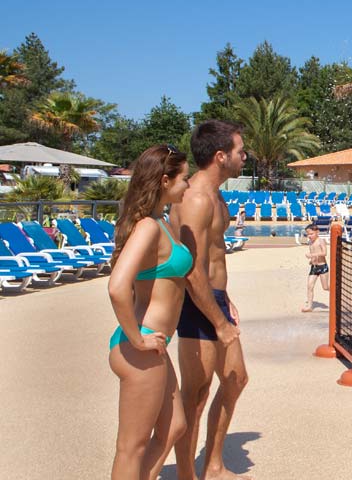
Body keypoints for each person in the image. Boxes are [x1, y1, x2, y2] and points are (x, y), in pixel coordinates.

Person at [106, 145, 192, 480]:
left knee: (175, 427)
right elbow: (117, 287)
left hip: (153, 346)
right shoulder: (148, 228)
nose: (188, 184)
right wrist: (137, 339)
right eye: (184, 177)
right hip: (140, 348)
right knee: (132, 446)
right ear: (166, 180)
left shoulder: (162, 222)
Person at [172, 120, 250, 480]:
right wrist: (218, 321)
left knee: (235, 378)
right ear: (221, 156)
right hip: (195, 302)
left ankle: (214, 465)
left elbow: (213, 258)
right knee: (196, 394)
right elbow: (191, 269)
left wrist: (225, 300)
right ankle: (189, 474)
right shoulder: (197, 198)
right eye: (239, 150)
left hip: (215, 298)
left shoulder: (217, 196)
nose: (243, 155)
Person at [300, 223, 329, 313]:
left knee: (325, 287)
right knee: (310, 286)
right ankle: (309, 306)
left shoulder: (321, 241)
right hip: (314, 267)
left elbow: (324, 253)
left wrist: (312, 255)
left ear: (317, 232)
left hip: (322, 267)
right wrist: (311, 260)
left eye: (311, 234)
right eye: (308, 234)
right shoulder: (310, 242)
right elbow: (313, 251)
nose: (309, 236)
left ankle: (336, 292)